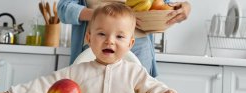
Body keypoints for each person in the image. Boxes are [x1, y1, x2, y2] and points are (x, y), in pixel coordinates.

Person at [0, 2, 182, 93]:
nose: (110, 41)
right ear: (88, 38)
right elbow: (44, 84)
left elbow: (153, 89)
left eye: (119, 37)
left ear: (130, 43)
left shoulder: (135, 72)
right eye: (101, 34)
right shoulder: (76, 71)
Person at [57, 0, 191, 77]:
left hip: (140, 43)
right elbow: (64, 8)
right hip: (96, 42)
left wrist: (185, 7)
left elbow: (163, 3)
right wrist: (102, 16)